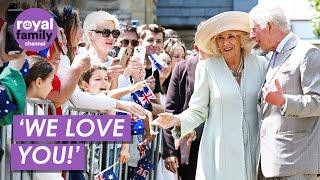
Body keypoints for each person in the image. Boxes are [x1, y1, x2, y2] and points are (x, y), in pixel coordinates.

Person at [151, 11, 267, 180]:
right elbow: (198, 110)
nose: (225, 42)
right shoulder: (207, 68)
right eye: (220, 38)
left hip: (254, 148)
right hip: (220, 150)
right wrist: (177, 120)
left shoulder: (261, 64)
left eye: (231, 36)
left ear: (241, 39)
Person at [249, 4, 320, 180]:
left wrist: (284, 101)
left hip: (295, 162)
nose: (251, 36)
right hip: (270, 162)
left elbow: (318, 102)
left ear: (269, 26)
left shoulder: (307, 53)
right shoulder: (270, 57)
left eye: (254, 29)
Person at [162, 49, 203, 180]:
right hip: (188, 147)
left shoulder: (226, 66)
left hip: (218, 145)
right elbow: (170, 111)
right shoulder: (183, 67)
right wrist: (170, 151)